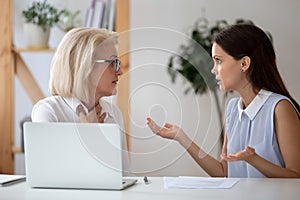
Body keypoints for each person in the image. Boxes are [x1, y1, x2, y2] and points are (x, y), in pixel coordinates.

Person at [147, 24, 300, 178]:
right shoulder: (233, 108)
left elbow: (296, 176)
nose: (213, 70)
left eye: (219, 60)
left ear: (244, 64)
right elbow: (223, 172)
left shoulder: (280, 108)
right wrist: (181, 137)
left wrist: (254, 160)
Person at [31, 27, 130, 173]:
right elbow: (49, 175)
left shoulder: (113, 113)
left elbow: (125, 176)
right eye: (112, 63)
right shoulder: (48, 112)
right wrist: (88, 134)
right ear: (85, 66)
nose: (120, 71)